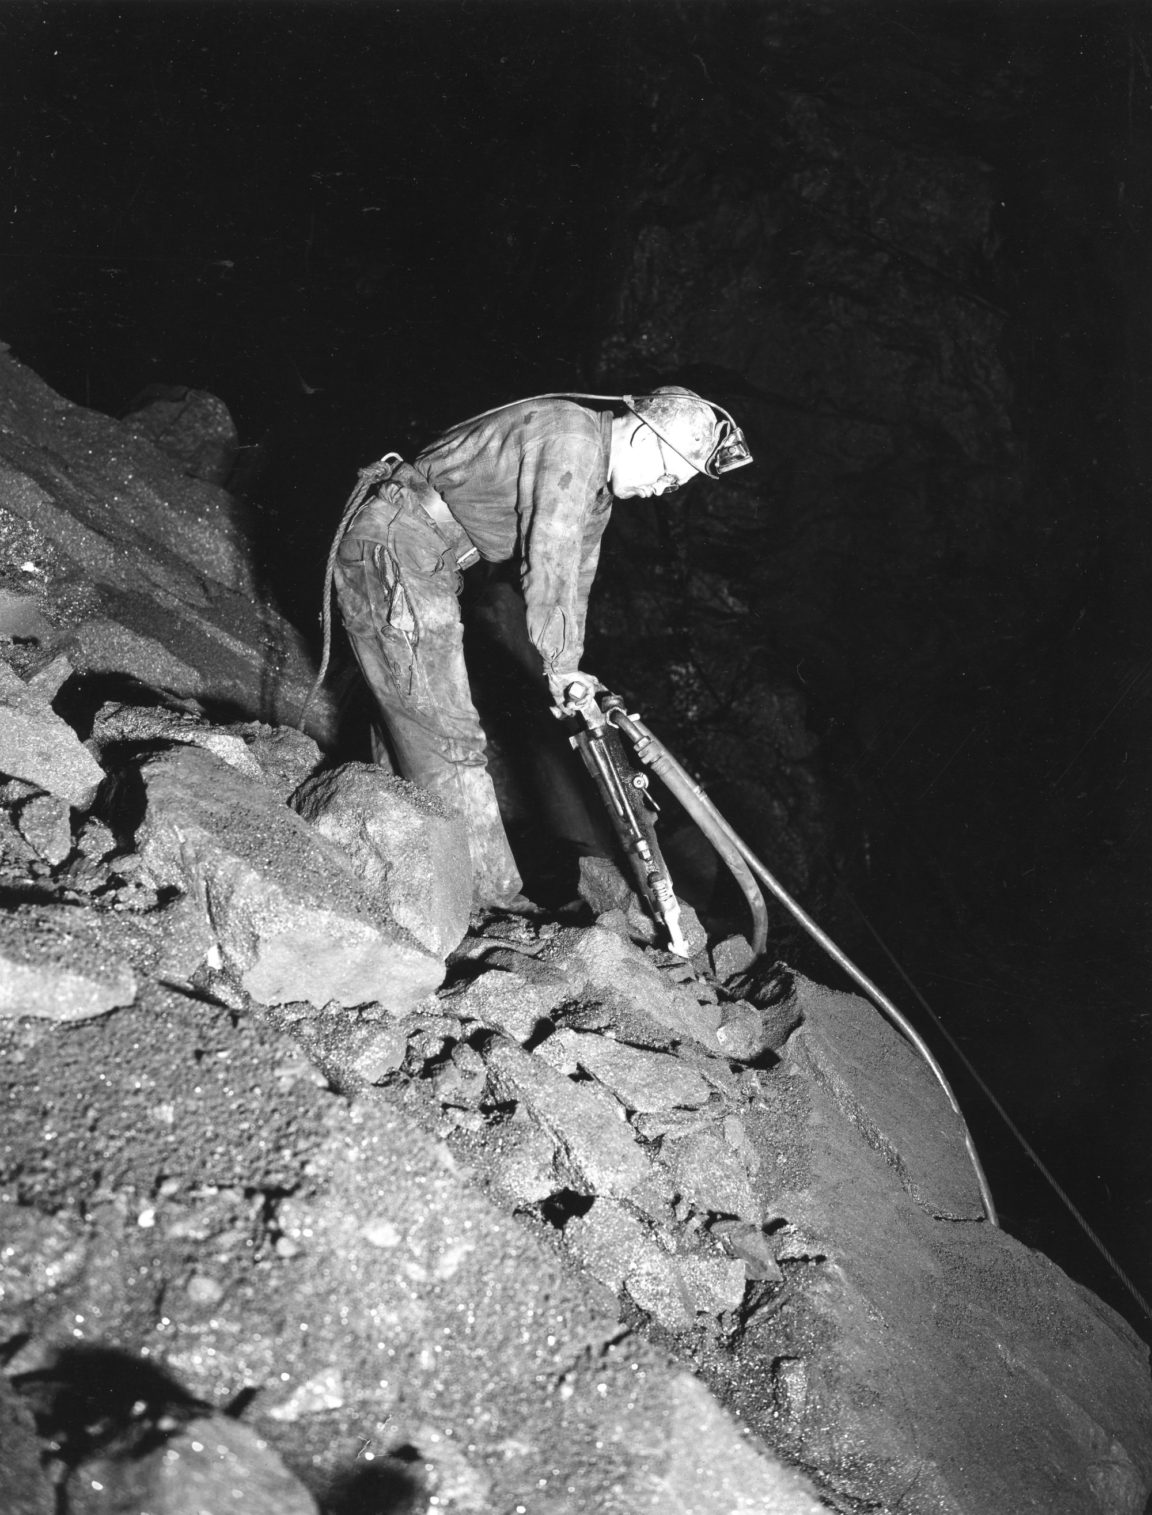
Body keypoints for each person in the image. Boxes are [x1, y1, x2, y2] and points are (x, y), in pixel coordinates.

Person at [330, 386, 751, 908]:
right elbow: (548, 556)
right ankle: (490, 901)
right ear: (644, 434)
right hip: (398, 546)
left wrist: (571, 670)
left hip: (425, 559)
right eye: (668, 475)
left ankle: (396, 872)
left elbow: (576, 578)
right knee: (449, 734)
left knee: (412, 721)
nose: (664, 490)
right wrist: (557, 665)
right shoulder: (572, 439)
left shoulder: (597, 487)